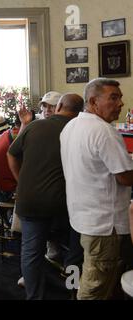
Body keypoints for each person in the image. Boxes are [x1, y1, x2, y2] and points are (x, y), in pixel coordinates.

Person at [60, 78, 133, 300]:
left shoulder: (71, 126)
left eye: (120, 97)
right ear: (93, 101)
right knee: (94, 289)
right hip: (103, 225)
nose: (120, 103)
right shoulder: (104, 131)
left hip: (82, 217)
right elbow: (125, 177)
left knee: (95, 280)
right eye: (113, 97)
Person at [7, 93, 84, 299]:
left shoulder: (35, 126)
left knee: (31, 254)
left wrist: (20, 180)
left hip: (31, 199)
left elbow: (12, 153)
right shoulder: (80, 130)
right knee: (74, 254)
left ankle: (34, 296)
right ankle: (73, 291)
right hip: (68, 203)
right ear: (82, 111)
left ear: (58, 106)